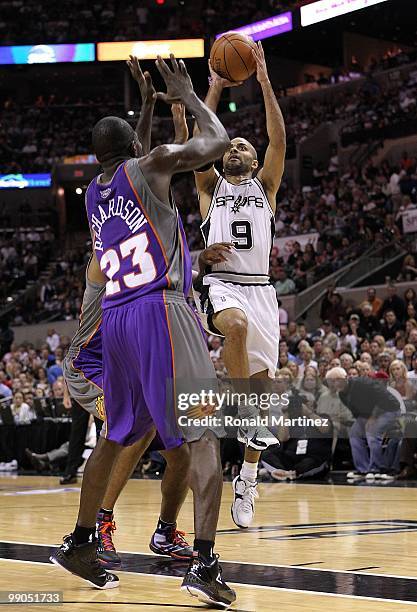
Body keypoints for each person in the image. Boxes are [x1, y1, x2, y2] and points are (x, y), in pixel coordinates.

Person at [50, 54, 235, 609]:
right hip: (161, 310)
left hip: (118, 317)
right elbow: (217, 142)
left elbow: (138, 161)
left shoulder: (95, 191)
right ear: (135, 145)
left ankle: (82, 541)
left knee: (116, 437)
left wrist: (149, 107)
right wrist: (188, 95)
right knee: (203, 434)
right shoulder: (148, 167)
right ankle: (203, 562)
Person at [192, 42, 285, 529]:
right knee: (234, 325)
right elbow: (203, 139)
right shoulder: (209, 190)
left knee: (265, 387)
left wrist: (265, 81)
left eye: (243, 146)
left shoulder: (266, 188)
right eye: (230, 145)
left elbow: (278, 141)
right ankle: (247, 417)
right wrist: (215, 86)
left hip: (263, 288)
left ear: (253, 160)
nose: (236, 148)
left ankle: (248, 478)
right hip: (223, 284)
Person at [326, 367, 401, 480]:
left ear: (346, 378)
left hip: (389, 408)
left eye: (337, 379)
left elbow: (383, 397)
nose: (335, 383)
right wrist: (364, 421)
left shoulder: (362, 383)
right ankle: (363, 469)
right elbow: (357, 412)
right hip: (368, 414)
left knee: (372, 431)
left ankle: (377, 468)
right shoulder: (342, 394)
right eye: (332, 381)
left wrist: (372, 417)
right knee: (354, 433)